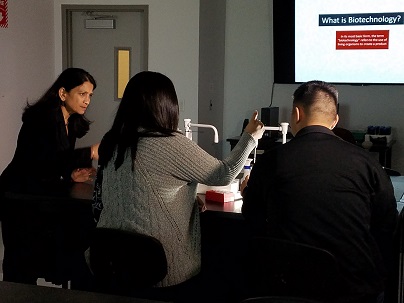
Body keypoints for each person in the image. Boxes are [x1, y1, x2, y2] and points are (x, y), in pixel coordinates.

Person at [92, 71, 264, 302]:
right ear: (167, 106)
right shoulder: (168, 143)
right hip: (160, 268)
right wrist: (250, 137)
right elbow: (224, 174)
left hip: (108, 262)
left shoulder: (114, 140)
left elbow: (139, 188)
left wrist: (186, 197)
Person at [241, 80, 398, 303]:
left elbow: (252, 218)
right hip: (354, 288)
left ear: (296, 114)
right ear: (335, 121)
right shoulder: (367, 163)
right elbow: (386, 225)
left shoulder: (271, 161)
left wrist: (249, 192)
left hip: (287, 284)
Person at [0, 67, 99, 284]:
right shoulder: (41, 118)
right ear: (63, 93)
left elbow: (56, 162)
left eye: (90, 95)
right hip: (19, 195)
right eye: (82, 94)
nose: (87, 101)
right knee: (20, 264)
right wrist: (90, 152)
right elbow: (46, 159)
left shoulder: (71, 120)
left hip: (38, 194)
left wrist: (72, 173)